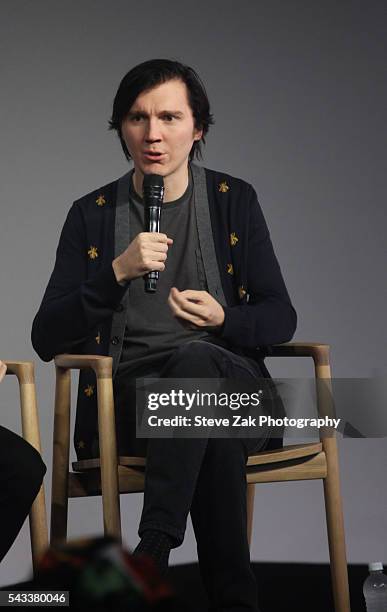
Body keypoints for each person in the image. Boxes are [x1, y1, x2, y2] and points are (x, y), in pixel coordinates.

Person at [31, 59, 297, 611]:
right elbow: (45, 336)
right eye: (138, 118)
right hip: (135, 408)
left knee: (198, 362)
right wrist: (115, 274)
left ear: (197, 128)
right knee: (206, 423)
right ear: (121, 127)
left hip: (241, 394)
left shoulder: (233, 199)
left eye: (170, 118)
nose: (153, 134)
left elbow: (280, 318)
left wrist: (227, 320)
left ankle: (152, 548)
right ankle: (234, 599)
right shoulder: (92, 215)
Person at [0, 360, 46, 563]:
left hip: (149, 388)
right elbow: (46, 342)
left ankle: (156, 537)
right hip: (134, 387)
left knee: (23, 467)